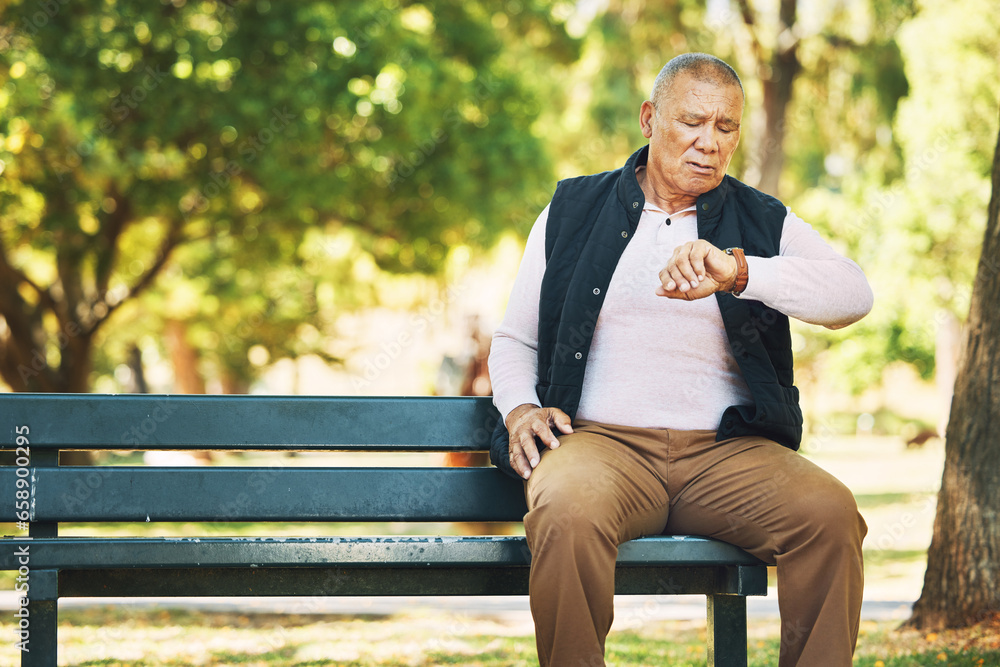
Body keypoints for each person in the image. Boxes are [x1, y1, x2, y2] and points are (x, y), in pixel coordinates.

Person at [487, 53, 873, 667]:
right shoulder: (572, 209)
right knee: (565, 509)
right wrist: (519, 410)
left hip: (725, 453)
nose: (709, 143)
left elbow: (853, 295)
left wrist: (741, 271)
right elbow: (514, 340)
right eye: (692, 122)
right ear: (649, 118)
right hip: (602, 445)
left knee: (830, 516)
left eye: (726, 128)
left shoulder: (761, 219)